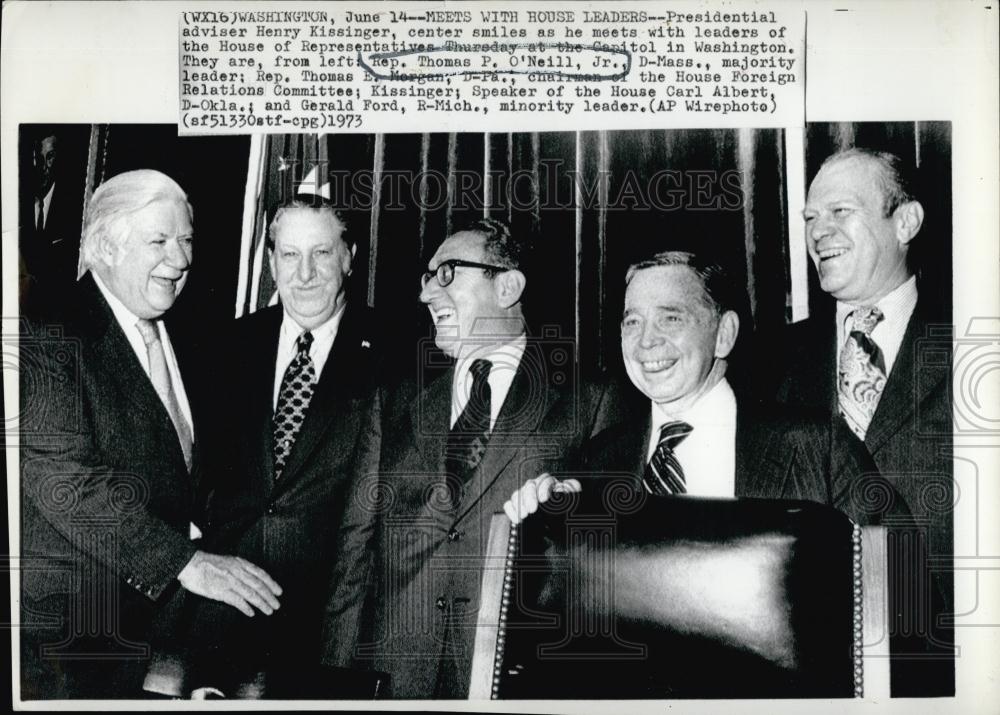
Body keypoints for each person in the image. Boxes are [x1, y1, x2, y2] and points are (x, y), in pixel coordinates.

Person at [321, 218, 618, 699]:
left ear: (508, 286)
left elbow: (599, 571)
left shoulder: (591, 401)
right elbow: (353, 557)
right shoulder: (394, 401)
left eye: (447, 274)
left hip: (509, 680)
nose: (425, 296)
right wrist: (332, 686)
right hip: (393, 680)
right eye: (425, 278)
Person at [18, 169, 282, 699]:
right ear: (106, 247)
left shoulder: (186, 333)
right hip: (73, 641)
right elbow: (68, 482)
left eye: (186, 240)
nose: (181, 260)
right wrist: (183, 563)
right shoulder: (45, 333)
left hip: (163, 643)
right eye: (159, 241)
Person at [506, 250, 886, 523]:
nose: (645, 342)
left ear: (724, 334)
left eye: (670, 318)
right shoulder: (599, 459)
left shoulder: (816, 446)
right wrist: (542, 520)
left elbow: (895, 586)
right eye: (632, 322)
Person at [185, 197, 380, 695]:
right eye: (289, 256)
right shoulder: (224, 347)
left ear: (349, 256)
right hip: (218, 626)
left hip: (331, 635)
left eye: (321, 252)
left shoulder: (395, 351)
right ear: (270, 261)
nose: (305, 274)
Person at [776, 148, 953, 696]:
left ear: (905, 222)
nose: (818, 232)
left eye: (840, 212)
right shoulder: (769, 360)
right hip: (798, 659)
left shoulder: (975, 340)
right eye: (809, 218)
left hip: (944, 656)